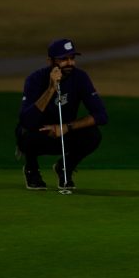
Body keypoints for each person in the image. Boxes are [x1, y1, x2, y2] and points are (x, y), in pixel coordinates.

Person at [15, 38, 108, 191]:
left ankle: (65, 167)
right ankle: (31, 169)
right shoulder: (35, 79)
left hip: (65, 134)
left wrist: (65, 127)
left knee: (93, 135)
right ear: (50, 61)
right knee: (24, 133)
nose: (70, 63)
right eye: (63, 59)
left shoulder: (80, 78)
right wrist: (51, 89)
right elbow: (27, 120)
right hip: (40, 134)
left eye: (72, 58)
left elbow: (101, 115)